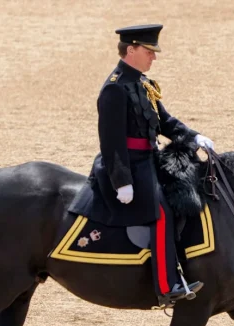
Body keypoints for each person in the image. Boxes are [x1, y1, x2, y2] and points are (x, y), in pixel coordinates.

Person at [69, 24, 215, 308]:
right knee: (160, 210)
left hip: (149, 160)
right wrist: (121, 181)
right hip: (128, 168)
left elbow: (165, 122)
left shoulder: (143, 84)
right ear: (131, 50)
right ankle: (166, 284)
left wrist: (193, 136)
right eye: (149, 51)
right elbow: (111, 143)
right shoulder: (114, 89)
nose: (154, 57)